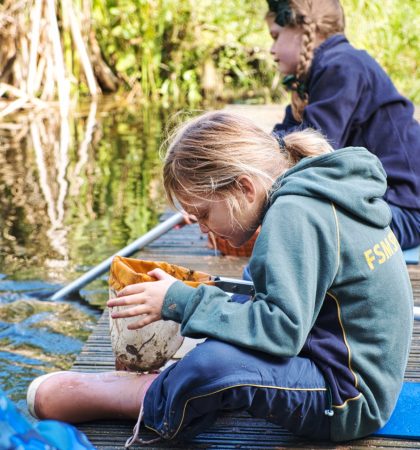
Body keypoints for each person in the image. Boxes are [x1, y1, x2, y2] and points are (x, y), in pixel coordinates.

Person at [26, 111, 413, 446]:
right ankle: (169, 384)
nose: (204, 231)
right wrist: (197, 295)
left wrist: (182, 301)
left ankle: (145, 397)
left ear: (244, 187)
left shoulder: (294, 213)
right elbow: (277, 297)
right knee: (228, 330)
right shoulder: (315, 192)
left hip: (348, 400)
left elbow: (281, 330)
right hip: (350, 369)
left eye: (205, 214)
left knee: (213, 365)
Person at [266, 0, 420, 249]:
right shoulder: (322, 71)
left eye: (275, 36)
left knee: (297, 237)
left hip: (404, 210)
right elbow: (278, 142)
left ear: (305, 30)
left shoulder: (343, 65)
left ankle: (254, 285)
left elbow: (310, 148)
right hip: (382, 204)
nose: (271, 50)